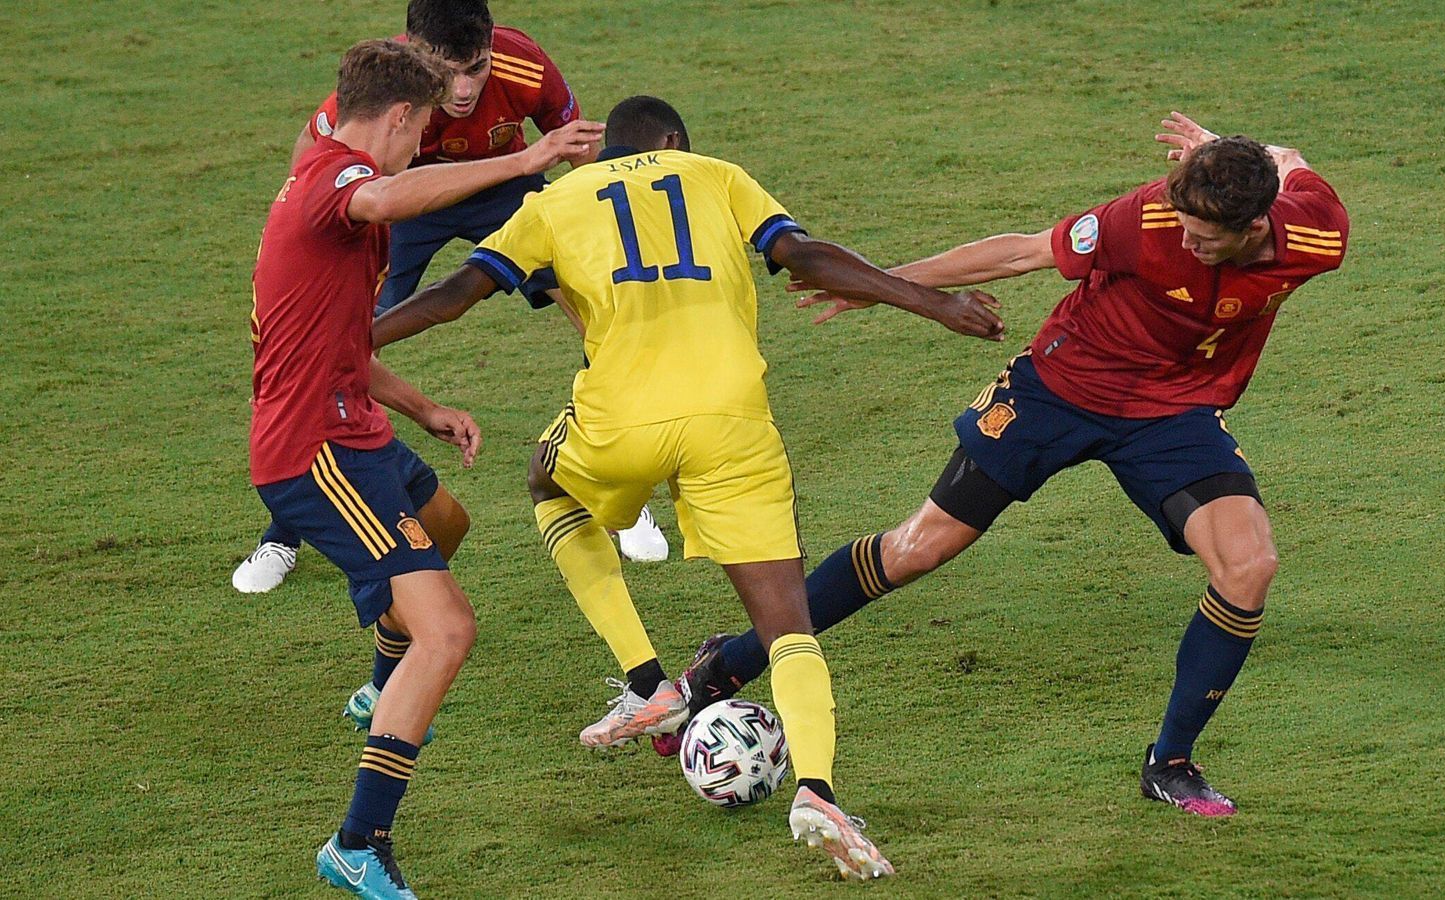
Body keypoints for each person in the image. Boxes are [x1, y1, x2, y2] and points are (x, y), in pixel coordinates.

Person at [371, 95, 1004, 879]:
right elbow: (805, 258)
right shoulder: (716, 175)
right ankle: (818, 791)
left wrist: (348, 340)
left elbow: (452, 296)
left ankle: (646, 682)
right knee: (787, 627)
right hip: (732, 419)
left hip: (620, 422)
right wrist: (935, 303)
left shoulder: (559, 199)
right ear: (674, 142)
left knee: (546, 480)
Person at [675, 112, 1350, 819]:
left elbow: (1289, 155)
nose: (1182, 238)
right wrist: (881, 285)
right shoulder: (1143, 218)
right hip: (1059, 390)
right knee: (917, 549)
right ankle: (729, 662)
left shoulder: (1316, 230)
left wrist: (1219, 146)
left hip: (1171, 412)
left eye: (1203, 237)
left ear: (1254, 225)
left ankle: (1171, 762)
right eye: (1182, 223)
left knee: (1249, 565)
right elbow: (1019, 253)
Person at [247, 39, 600, 898]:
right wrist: (528, 157)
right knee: (447, 631)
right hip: (313, 453)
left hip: (353, 424)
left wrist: (423, 408)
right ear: (398, 118)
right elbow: (383, 192)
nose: (425, 147)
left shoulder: (319, 167)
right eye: (422, 132)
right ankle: (357, 844)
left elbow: (335, 343)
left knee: (447, 525)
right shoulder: (342, 185)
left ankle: (380, 690)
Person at [233, 0, 665, 598]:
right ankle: (291, 524)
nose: (462, 92)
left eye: (477, 68)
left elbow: (579, 150)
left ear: (492, 45)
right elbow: (315, 166)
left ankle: (624, 487)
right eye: (447, 72)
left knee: (599, 313)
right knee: (343, 341)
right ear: (414, 52)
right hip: (402, 196)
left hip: (504, 189)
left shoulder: (527, 68)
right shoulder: (386, 88)